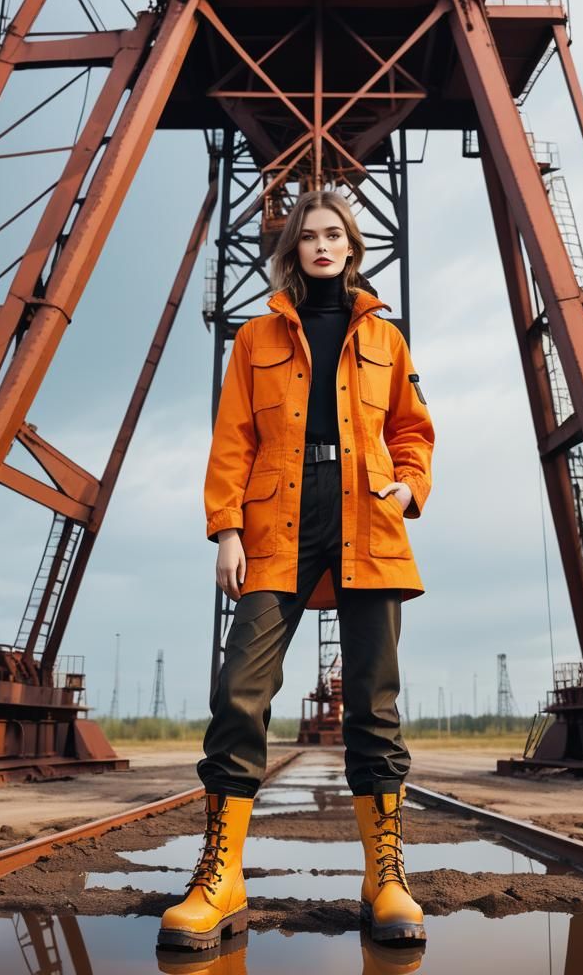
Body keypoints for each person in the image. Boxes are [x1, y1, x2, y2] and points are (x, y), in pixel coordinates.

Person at [156, 189, 434, 950]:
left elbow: (413, 430)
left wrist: (409, 486)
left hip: (367, 518)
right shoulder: (255, 339)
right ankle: (222, 879)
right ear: (291, 250)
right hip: (276, 519)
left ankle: (385, 878)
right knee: (239, 691)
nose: (320, 245)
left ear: (351, 247)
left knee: (374, 705)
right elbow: (232, 439)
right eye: (307, 235)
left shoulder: (386, 338)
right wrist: (225, 528)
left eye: (332, 234)